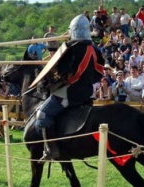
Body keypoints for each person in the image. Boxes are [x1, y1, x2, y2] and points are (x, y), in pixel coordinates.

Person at [34, 14, 104, 161]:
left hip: (71, 92)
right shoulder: (96, 50)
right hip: (88, 92)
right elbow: (99, 74)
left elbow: (62, 70)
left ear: (72, 30)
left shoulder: (71, 48)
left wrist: (57, 75)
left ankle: (50, 149)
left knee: (42, 114)